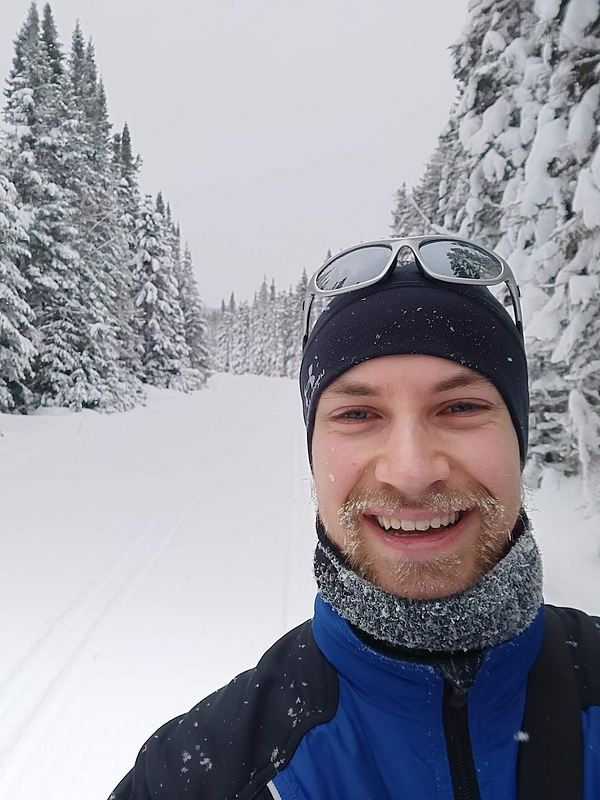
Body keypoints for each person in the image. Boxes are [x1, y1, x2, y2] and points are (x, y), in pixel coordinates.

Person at [110, 236, 600, 800]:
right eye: (358, 413)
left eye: (461, 406)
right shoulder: (201, 776)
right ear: (314, 454)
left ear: (519, 440)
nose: (412, 471)